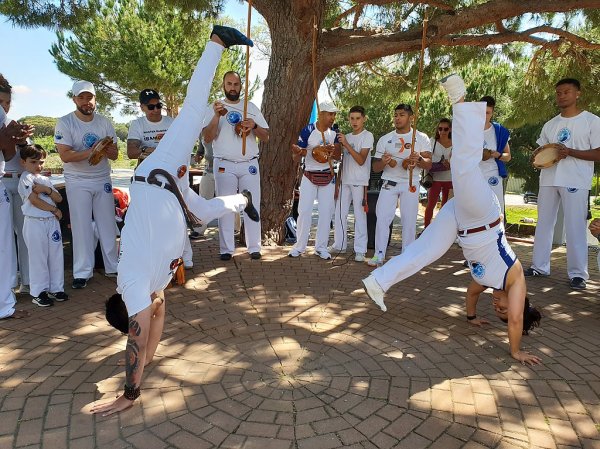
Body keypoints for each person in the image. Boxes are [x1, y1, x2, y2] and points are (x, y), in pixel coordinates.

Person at [89, 25, 257, 416]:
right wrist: (148, 359)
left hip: (158, 171)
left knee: (194, 110)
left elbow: (137, 333)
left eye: (143, 314)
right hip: (173, 193)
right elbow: (153, 320)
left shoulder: (133, 283)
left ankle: (216, 42)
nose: (153, 310)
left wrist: (129, 393)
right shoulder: (155, 291)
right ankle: (242, 200)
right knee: (204, 211)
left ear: (130, 306)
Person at [362, 74, 542, 366]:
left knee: (425, 251)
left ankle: (377, 282)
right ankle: (459, 97)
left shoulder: (484, 283)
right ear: (518, 302)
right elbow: (516, 320)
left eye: (496, 311)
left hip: (461, 221)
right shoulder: (515, 280)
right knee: (463, 165)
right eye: (503, 308)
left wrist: (472, 318)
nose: (497, 305)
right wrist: (515, 351)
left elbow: (471, 296)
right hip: (483, 214)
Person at [525, 78, 600, 290]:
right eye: (558, 92)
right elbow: (540, 153)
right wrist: (537, 158)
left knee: (575, 226)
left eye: (566, 92)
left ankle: (578, 274)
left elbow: (598, 153)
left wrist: (570, 152)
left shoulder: (592, 121)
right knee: (544, 224)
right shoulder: (550, 124)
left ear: (578, 94)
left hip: (575, 179)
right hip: (549, 179)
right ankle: (539, 266)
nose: (561, 96)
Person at [54, 80, 120, 289]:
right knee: (81, 226)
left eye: (89, 97)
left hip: (102, 178)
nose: (86, 102)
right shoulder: (65, 122)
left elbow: (115, 154)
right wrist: (93, 152)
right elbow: (65, 155)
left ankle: (113, 267)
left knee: (108, 225)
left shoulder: (104, 122)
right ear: (74, 99)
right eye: (81, 97)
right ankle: (82, 272)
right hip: (77, 180)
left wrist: (108, 150)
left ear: (95, 99)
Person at [202, 71, 269, 261]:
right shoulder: (215, 107)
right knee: (225, 206)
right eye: (229, 84)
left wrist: (254, 126)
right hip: (224, 164)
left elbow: (266, 136)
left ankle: (254, 247)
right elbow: (207, 137)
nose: (233, 87)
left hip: (249, 164)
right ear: (223, 85)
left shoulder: (251, 107)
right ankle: (226, 249)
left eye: (236, 84)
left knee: (252, 204)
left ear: (241, 86)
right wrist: (216, 116)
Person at [367, 104, 431, 267]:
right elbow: (375, 167)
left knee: (409, 221)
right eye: (395, 115)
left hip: (410, 183)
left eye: (402, 115)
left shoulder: (421, 138)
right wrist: (383, 161)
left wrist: (419, 159)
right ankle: (379, 254)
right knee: (382, 218)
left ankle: (407, 257)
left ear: (411, 118)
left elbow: (428, 164)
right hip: (389, 183)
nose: (397, 118)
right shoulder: (385, 139)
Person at [289, 101, 342, 260]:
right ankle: (300, 247)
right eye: (330, 114)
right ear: (320, 114)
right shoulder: (308, 130)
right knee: (304, 211)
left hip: (328, 175)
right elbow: (296, 155)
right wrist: (299, 152)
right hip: (309, 175)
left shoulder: (334, 132)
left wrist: (331, 151)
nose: (333, 117)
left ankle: (321, 247)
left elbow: (338, 156)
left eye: (334, 114)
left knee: (326, 212)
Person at [18, 144, 69, 307]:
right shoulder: (26, 178)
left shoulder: (45, 179)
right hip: (35, 221)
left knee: (55, 256)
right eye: (33, 162)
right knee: (38, 257)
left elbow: (58, 197)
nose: (38, 166)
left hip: (51, 222)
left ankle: (56, 288)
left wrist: (46, 189)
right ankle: (38, 292)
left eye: (41, 162)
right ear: (23, 162)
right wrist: (54, 209)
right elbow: (34, 200)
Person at [0, 73, 33, 320]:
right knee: (4, 244)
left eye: (7, 103)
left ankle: (26, 282)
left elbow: (18, 155)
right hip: (3, 181)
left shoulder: (11, 122)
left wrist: (20, 141)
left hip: (15, 181)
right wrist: (7, 137)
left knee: (21, 235)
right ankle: (5, 300)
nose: (4, 107)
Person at [329, 106, 373, 262]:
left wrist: (346, 144)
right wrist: (337, 183)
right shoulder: (346, 136)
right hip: (344, 180)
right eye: (352, 118)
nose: (354, 121)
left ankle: (360, 250)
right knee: (339, 213)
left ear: (364, 119)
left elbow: (361, 160)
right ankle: (339, 245)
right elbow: (343, 161)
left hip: (359, 181)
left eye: (358, 118)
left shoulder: (367, 136)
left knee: (359, 216)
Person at [479, 96, 511, 214]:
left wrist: (498, 155)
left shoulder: (499, 131)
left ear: (492, 113)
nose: (484, 115)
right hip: (473, 174)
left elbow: (508, 156)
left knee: (496, 209)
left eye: (487, 113)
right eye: (482, 112)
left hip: (493, 174)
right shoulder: (469, 130)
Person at [423, 118, 453, 228]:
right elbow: (426, 158)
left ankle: (441, 229)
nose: (442, 132)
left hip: (450, 179)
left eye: (445, 129)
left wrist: (451, 163)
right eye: (440, 129)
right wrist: (440, 162)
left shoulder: (456, 143)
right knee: (431, 205)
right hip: (435, 179)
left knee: (446, 207)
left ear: (450, 129)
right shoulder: (432, 142)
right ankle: (426, 229)